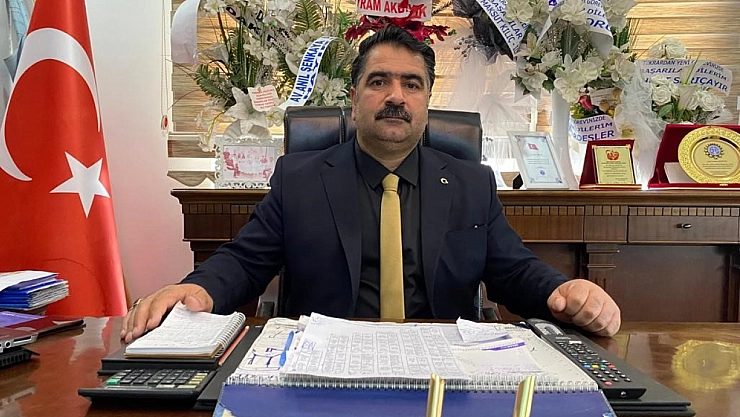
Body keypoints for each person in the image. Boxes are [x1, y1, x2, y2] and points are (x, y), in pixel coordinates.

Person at [122, 25, 620, 342]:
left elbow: (513, 270)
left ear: (427, 102)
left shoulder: (471, 182)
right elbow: (245, 261)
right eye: (379, 81)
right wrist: (196, 291)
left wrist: (564, 289)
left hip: (442, 360)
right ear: (355, 98)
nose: (395, 96)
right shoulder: (300, 179)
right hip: (324, 359)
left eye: (411, 84)